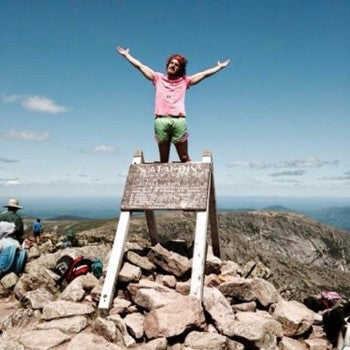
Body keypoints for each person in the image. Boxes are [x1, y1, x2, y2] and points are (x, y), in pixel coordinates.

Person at [116, 47, 230, 163]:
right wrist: (126, 55)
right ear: (168, 65)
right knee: (164, 160)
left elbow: (204, 74)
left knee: (184, 158)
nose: (173, 65)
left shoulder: (184, 81)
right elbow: (140, 66)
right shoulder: (158, 78)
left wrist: (219, 67)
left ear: (180, 69)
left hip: (178, 121)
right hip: (161, 121)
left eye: (177, 65)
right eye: (171, 63)